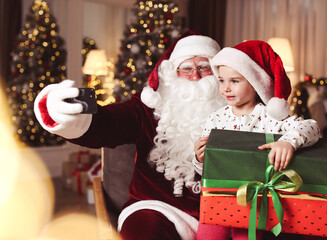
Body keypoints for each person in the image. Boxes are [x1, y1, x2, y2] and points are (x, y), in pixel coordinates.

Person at [33, 31, 226, 240]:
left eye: (204, 67)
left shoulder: (240, 112)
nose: (195, 76)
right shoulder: (147, 110)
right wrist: (66, 117)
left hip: (226, 212)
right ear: (172, 74)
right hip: (159, 209)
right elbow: (108, 124)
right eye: (186, 68)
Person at [193, 40, 321, 240]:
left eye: (235, 81)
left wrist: (288, 142)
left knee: (245, 235)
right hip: (219, 197)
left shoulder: (270, 118)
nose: (226, 88)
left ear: (254, 84)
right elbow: (207, 170)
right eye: (222, 80)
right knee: (207, 236)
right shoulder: (215, 118)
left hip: (253, 201)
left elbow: (312, 127)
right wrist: (199, 159)